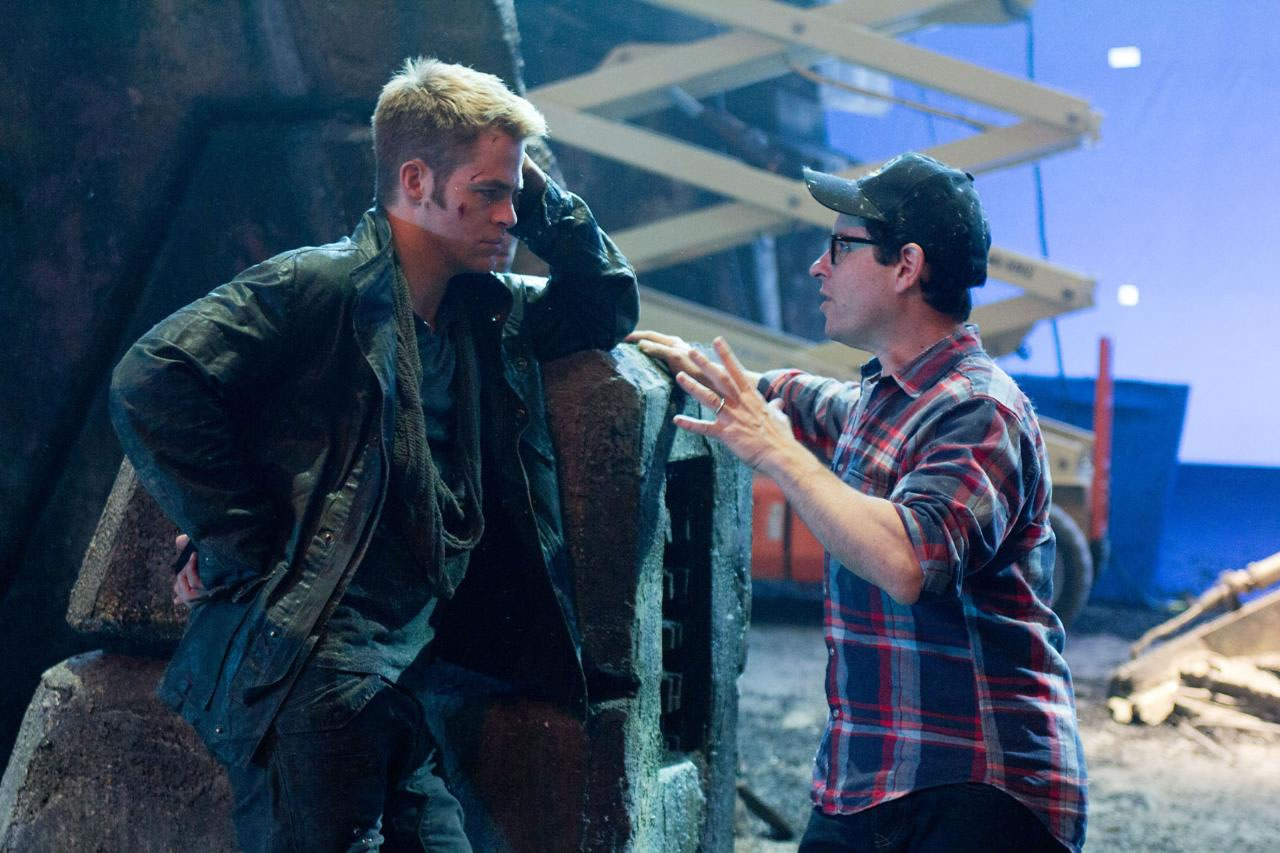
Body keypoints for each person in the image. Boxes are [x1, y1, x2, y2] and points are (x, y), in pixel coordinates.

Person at [110, 57, 637, 851]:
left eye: (515, 196)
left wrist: (536, 193)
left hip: (405, 679)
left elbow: (605, 301)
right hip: (317, 673)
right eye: (489, 192)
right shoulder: (323, 284)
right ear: (416, 180)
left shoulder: (480, 317)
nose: (509, 217)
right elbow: (152, 377)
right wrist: (238, 539)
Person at [628, 152, 1086, 853]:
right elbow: (804, 398)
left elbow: (909, 560)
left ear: (906, 266)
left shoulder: (979, 409)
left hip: (975, 789)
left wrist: (776, 449)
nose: (820, 267)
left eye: (841, 246)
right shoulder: (885, 399)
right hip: (869, 783)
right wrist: (715, 377)